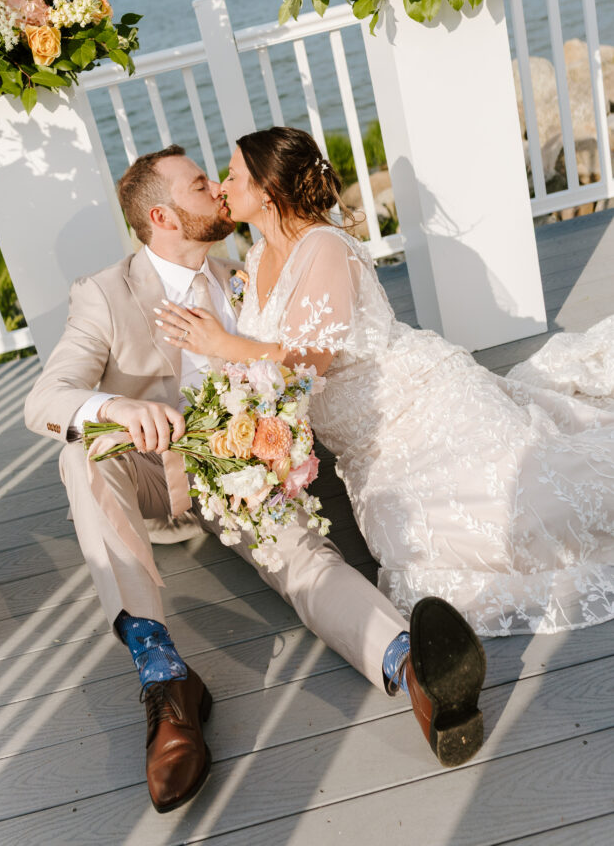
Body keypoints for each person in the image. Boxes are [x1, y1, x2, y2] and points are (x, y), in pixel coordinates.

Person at [24, 144, 487, 814]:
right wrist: (118, 407)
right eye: (200, 185)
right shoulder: (104, 293)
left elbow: (287, 363)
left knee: (304, 559)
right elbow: (46, 400)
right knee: (81, 453)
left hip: (240, 462)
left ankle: (410, 669)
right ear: (162, 214)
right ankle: (164, 679)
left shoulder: (241, 276)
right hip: (154, 475)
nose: (217, 190)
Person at [155, 127, 614, 642]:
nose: (221, 186)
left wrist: (224, 345)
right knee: (413, 547)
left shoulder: (325, 247)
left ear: (265, 190)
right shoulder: (258, 258)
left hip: (418, 398)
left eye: (233, 174)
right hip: (365, 442)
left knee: (529, 507)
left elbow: (311, 361)